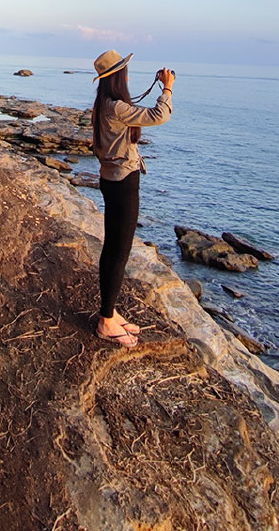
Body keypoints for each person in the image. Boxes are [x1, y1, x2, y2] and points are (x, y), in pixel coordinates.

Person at [91, 49, 175, 347]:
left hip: (111, 180)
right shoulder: (115, 108)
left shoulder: (104, 104)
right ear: (117, 78)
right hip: (123, 183)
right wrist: (167, 88)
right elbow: (159, 115)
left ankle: (110, 312)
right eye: (124, 72)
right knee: (118, 251)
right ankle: (105, 321)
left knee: (114, 248)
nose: (127, 77)